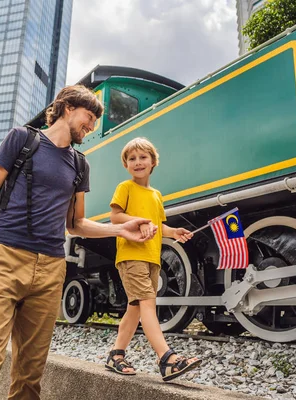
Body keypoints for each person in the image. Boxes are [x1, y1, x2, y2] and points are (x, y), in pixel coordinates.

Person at [0, 85, 154, 400]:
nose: (92, 126)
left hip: (50, 269)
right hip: (4, 256)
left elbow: (75, 224)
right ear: (68, 107)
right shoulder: (23, 139)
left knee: (30, 376)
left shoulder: (80, 164)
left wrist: (122, 231)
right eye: (89, 116)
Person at [104, 137, 202, 382]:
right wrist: (141, 222)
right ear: (126, 164)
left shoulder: (156, 195)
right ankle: (166, 358)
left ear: (153, 162)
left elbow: (159, 225)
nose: (137, 162)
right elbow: (115, 218)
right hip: (131, 254)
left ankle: (116, 355)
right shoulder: (125, 187)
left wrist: (174, 232)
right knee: (148, 303)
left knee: (135, 308)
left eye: (142, 157)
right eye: (132, 158)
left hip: (152, 258)